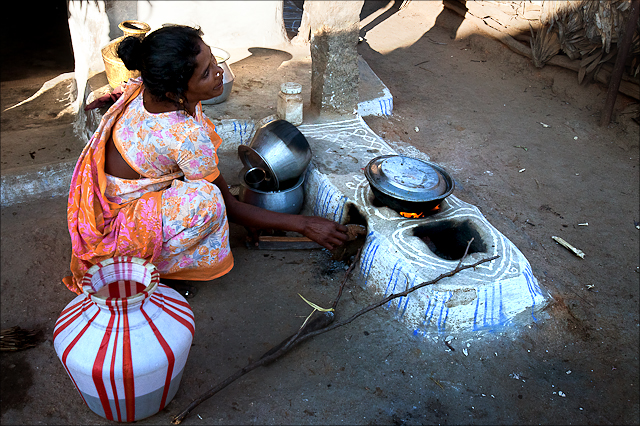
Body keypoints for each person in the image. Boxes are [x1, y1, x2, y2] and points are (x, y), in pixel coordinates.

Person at [62, 25, 348, 295]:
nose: (219, 73)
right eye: (206, 73)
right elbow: (228, 206)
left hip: (105, 203)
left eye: (213, 61)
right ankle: (150, 272)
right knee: (207, 201)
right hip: (117, 231)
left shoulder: (147, 88)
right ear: (176, 91)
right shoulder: (184, 135)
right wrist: (304, 225)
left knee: (205, 183)